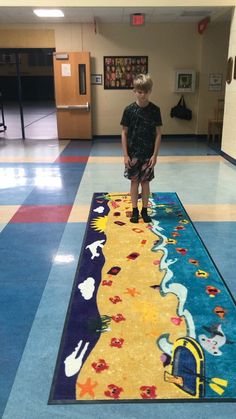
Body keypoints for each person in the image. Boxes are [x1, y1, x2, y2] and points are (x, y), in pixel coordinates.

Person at [120, 73, 162, 223]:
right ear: (134, 91)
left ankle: (144, 210)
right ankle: (135, 210)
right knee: (134, 182)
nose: (142, 95)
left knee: (145, 182)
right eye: (139, 91)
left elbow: (158, 134)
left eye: (145, 91)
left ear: (150, 91)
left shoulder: (155, 110)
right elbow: (124, 133)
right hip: (133, 154)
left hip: (148, 154)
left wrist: (155, 155)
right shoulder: (129, 110)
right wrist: (125, 155)